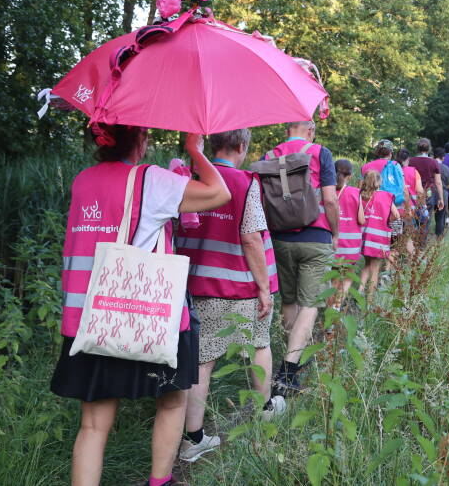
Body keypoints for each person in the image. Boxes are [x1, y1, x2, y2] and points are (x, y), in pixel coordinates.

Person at [52, 124, 231, 486]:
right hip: (148, 317)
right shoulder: (152, 179)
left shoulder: (83, 180)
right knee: (171, 402)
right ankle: (159, 481)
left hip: (90, 318)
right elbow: (218, 192)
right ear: (140, 140)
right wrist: (195, 150)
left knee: (92, 425)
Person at [175, 128, 285, 463]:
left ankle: (193, 438)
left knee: (202, 358)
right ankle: (265, 408)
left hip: (193, 282)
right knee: (258, 344)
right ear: (241, 146)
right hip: (238, 285)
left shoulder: (188, 178)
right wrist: (264, 288)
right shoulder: (244, 183)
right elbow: (251, 238)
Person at [266, 121, 339, 395]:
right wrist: (335, 232)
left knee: (289, 300)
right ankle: (288, 370)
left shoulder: (271, 155)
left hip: (281, 238)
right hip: (315, 237)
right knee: (309, 304)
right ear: (310, 129)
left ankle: (290, 357)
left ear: (286, 128)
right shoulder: (321, 153)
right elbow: (330, 200)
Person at [359, 170, 400, 296]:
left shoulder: (362, 195)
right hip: (380, 237)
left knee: (366, 265)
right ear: (380, 182)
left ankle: (359, 292)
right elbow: (396, 215)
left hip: (365, 237)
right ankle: (370, 299)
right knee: (375, 269)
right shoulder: (386, 196)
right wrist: (385, 221)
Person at [361, 139, 408, 248]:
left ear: (377, 152)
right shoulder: (395, 165)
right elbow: (404, 189)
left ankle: (375, 264)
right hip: (394, 210)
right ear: (391, 153)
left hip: (371, 212)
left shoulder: (366, 166)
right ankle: (388, 265)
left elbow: (360, 189)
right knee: (393, 246)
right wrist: (408, 208)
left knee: (373, 246)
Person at [331, 159, 364, 310]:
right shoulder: (355, 193)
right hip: (350, 246)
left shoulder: (326, 191)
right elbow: (361, 219)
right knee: (346, 278)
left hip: (332, 244)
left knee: (332, 280)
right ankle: (337, 307)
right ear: (350, 176)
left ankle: (329, 308)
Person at [408, 138, 444, 240]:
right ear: (429, 149)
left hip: (413, 193)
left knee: (413, 217)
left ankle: (413, 242)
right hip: (428, 193)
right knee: (426, 218)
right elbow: (438, 182)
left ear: (417, 148)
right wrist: (440, 198)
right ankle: (421, 244)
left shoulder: (411, 161)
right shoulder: (433, 162)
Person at [397, 148, 422, 254]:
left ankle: (394, 264)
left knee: (395, 238)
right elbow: (420, 191)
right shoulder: (414, 171)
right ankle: (410, 262)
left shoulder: (392, 170)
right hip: (409, 209)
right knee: (408, 236)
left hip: (394, 209)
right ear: (408, 159)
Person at [433, 147, 449, 238]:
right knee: (440, 217)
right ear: (443, 157)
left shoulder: (430, 166)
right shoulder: (445, 168)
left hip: (430, 194)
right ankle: (439, 237)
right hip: (443, 195)